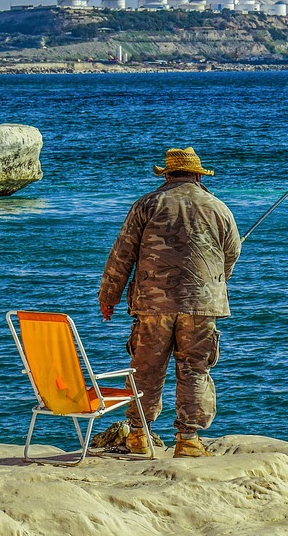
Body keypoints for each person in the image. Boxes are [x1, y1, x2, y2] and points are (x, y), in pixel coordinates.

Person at [99, 147, 241, 457]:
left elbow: (123, 254)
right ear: (197, 175)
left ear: (167, 174)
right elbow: (231, 253)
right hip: (201, 305)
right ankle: (187, 439)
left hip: (152, 304)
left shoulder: (147, 204)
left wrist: (108, 296)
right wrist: (215, 283)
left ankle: (138, 434)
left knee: (146, 369)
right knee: (194, 368)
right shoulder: (217, 207)